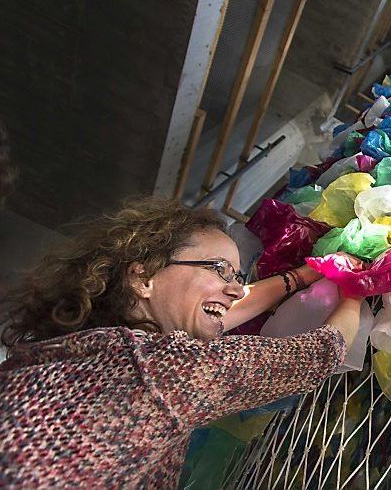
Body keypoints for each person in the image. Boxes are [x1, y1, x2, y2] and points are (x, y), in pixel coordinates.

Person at [0, 199, 362, 487]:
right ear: (143, 277)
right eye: (218, 269)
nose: (235, 287)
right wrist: (356, 288)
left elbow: (223, 313)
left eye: (236, 276)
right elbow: (321, 351)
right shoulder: (160, 368)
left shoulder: (69, 351)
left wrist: (301, 276)